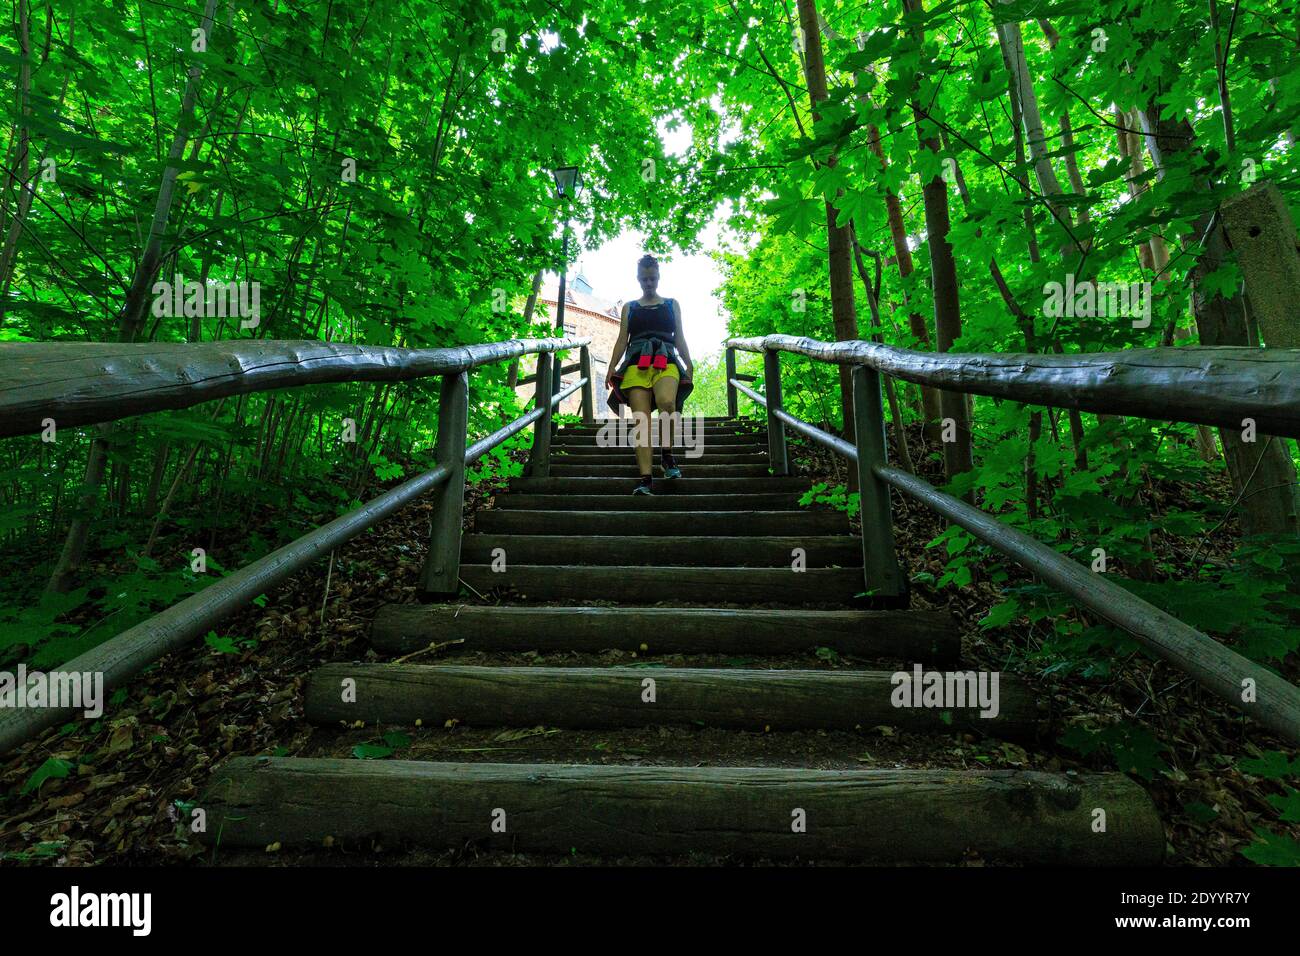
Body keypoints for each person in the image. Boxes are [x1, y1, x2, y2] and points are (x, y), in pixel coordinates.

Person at [605, 254, 695, 495]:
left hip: (666, 359)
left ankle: (667, 456)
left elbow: (680, 337)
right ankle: (646, 479)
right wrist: (612, 367)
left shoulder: (671, 304)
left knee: (668, 402)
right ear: (638, 279)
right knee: (640, 420)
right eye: (644, 279)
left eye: (652, 278)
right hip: (636, 363)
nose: (648, 283)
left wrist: (689, 363)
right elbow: (622, 340)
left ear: (658, 277)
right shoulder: (630, 307)